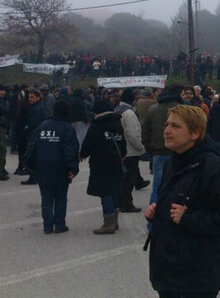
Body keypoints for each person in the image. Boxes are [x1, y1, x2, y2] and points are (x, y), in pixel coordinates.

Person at [144, 105, 220, 298]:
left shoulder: (212, 168)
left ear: (195, 133)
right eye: (166, 125)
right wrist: (157, 215)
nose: (166, 130)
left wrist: (189, 217)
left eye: (175, 126)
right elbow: (175, 211)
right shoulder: (172, 163)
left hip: (197, 278)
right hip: (169, 272)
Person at [26, 100, 79, 234]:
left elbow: (31, 147)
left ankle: (47, 225)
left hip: (42, 167)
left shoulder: (42, 126)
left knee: (46, 197)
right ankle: (60, 224)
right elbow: (70, 151)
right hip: (61, 168)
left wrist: (32, 166)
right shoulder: (67, 128)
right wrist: (73, 169)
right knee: (61, 197)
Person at [80, 100, 127, 235]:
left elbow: (88, 144)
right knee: (113, 190)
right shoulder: (117, 123)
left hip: (100, 163)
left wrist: (82, 154)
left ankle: (108, 223)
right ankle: (115, 221)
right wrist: (123, 155)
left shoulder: (96, 126)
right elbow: (122, 141)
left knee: (104, 191)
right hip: (116, 162)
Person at [143, 85, 183, 207]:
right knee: (180, 186)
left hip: (158, 151)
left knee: (158, 186)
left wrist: (150, 148)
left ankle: (152, 219)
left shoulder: (153, 109)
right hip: (179, 151)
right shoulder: (183, 109)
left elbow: (145, 132)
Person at [114, 89, 146, 213]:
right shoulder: (129, 113)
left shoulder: (117, 110)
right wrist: (140, 147)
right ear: (132, 100)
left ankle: (119, 202)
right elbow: (133, 134)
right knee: (129, 179)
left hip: (119, 149)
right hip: (130, 151)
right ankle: (127, 204)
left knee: (122, 178)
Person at [21, 89, 50, 185]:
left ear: (38, 97)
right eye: (29, 97)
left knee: (32, 156)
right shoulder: (40, 106)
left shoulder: (36, 108)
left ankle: (33, 177)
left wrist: (26, 129)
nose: (30, 99)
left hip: (35, 135)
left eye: (32, 97)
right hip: (38, 134)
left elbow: (34, 123)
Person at [0, 85, 9, 180]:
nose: (3, 92)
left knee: (3, 149)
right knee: (1, 149)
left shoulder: (4, 101)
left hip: (2, 125)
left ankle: (2, 168)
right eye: (1, 91)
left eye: (3, 90)